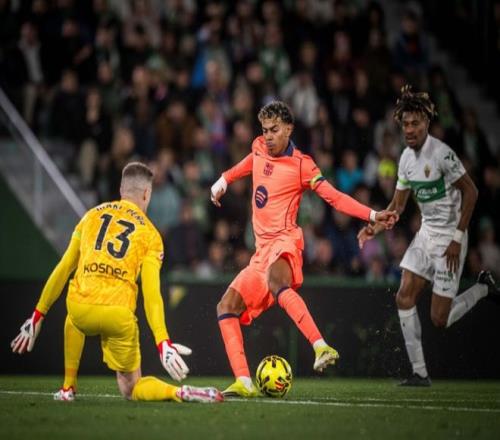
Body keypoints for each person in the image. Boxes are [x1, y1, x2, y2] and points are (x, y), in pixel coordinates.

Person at [210, 101, 398, 397]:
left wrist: (372, 215)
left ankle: (321, 347)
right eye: (265, 130)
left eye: (274, 130)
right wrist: (224, 179)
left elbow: (334, 198)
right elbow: (249, 162)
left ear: (289, 129)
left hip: (285, 241)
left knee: (277, 282)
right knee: (226, 307)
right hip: (261, 253)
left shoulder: (302, 165)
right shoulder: (258, 146)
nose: (268, 136)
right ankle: (244, 382)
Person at [11, 162, 223, 403]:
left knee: (73, 319)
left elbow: (64, 267)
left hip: (81, 308)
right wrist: (162, 341)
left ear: (122, 189)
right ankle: (178, 392)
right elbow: (152, 294)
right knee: (131, 389)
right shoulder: (151, 235)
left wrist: (38, 315)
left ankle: (68, 388)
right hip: (118, 314)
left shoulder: (90, 216)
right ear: (147, 194)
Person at [357, 86, 500, 386]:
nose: (409, 129)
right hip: (426, 235)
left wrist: (457, 238)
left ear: (427, 122)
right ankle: (419, 373)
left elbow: (472, 192)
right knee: (403, 296)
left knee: (440, 319)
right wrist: (374, 227)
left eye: (415, 123)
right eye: (405, 124)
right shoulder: (406, 160)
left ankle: (482, 288)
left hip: (450, 238)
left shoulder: (442, 154)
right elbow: (397, 206)